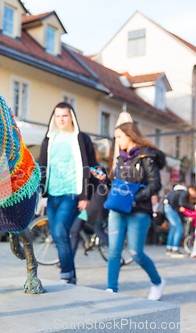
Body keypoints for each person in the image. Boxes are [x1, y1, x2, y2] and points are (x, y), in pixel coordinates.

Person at [38, 102, 99, 284]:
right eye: (57, 116)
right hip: (52, 194)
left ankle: (65, 274)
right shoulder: (49, 139)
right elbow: (43, 167)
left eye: (64, 115)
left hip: (72, 193)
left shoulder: (80, 138)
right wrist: (42, 195)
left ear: (71, 116)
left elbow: (90, 166)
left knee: (59, 231)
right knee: (58, 236)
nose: (61, 119)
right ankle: (70, 275)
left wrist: (85, 195)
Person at [105, 122, 166, 300]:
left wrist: (134, 199)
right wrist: (105, 180)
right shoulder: (120, 159)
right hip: (117, 209)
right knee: (113, 251)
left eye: (119, 137)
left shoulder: (147, 157)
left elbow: (156, 185)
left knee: (135, 253)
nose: (117, 141)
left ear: (130, 136)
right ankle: (111, 289)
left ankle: (157, 282)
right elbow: (118, 186)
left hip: (139, 210)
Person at [163, 185, 196, 257]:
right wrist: (193, 207)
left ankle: (169, 248)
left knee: (173, 229)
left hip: (166, 207)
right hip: (171, 209)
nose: (194, 194)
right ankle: (175, 249)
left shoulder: (177, 191)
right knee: (179, 228)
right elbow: (182, 203)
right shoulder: (185, 192)